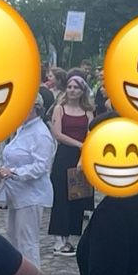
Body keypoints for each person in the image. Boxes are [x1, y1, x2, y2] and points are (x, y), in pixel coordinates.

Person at [0, 100, 56, 270]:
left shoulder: (41, 133)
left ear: (35, 108)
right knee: (13, 237)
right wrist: (3, 169)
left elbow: (41, 166)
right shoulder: (22, 129)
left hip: (31, 194)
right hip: (15, 193)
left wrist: (13, 172)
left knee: (27, 240)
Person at [48, 75, 93, 255]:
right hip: (64, 155)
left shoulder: (88, 111)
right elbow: (57, 134)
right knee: (61, 197)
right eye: (69, 87)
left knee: (77, 196)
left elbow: (90, 134)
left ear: (82, 91)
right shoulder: (59, 109)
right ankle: (59, 238)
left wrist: (83, 154)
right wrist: (78, 144)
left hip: (82, 157)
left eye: (76, 87)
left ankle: (71, 236)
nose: (72, 90)